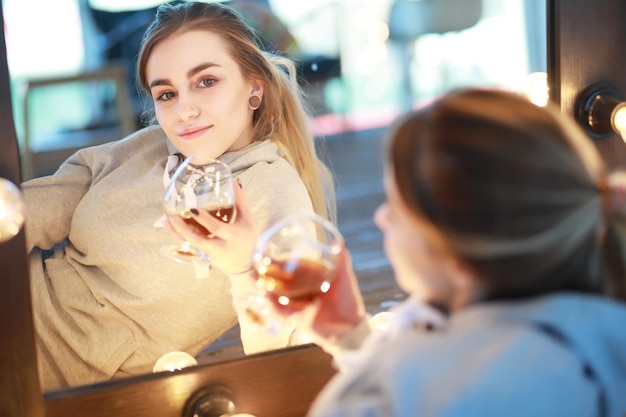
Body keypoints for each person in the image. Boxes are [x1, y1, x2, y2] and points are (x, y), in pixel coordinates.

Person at [194, 88, 626, 416]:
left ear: (458, 256)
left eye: (397, 207)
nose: (381, 218)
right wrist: (349, 335)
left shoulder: (490, 389)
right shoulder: (557, 338)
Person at [22, 0, 334, 391]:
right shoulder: (149, 146)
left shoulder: (273, 191)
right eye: (166, 94)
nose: (184, 110)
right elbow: (28, 212)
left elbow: (293, 356)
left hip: (47, 373)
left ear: (254, 88)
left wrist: (243, 267)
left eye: (206, 81)